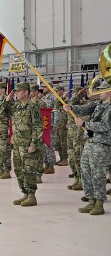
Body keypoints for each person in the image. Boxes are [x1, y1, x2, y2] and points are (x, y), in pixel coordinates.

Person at [64, 81, 111, 215]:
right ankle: (91, 200)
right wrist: (71, 108)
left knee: (98, 174)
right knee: (86, 172)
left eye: (102, 90)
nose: (99, 92)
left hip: (102, 145)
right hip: (90, 142)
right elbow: (84, 109)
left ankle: (99, 203)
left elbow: (106, 126)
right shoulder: (98, 104)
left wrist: (85, 124)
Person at [7, 82, 43, 207]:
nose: (16, 93)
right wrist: (9, 97)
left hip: (28, 145)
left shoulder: (33, 107)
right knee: (18, 170)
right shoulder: (17, 106)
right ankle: (25, 193)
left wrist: (34, 144)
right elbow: (5, 109)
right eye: (15, 91)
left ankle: (32, 195)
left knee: (28, 170)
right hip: (17, 143)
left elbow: (38, 127)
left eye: (18, 91)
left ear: (26, 92)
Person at [0, 82, 12, 179]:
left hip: (3, 129)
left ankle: (7, 171)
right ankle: (1, 169)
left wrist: (8, 99)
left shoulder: (8, 100)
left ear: (3, 90)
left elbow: (10, 108)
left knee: (5, 151)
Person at [54, 86, 69, 166]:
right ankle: (61, 158)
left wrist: (63, 98)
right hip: (58, 123)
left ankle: (65, 159)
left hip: (63, 123)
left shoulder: (66, 100)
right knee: (58, 142)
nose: (56, 92)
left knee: (63, 142)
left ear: (62, 91)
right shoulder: (58, 100)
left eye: (58, 91)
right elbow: (56, 106)